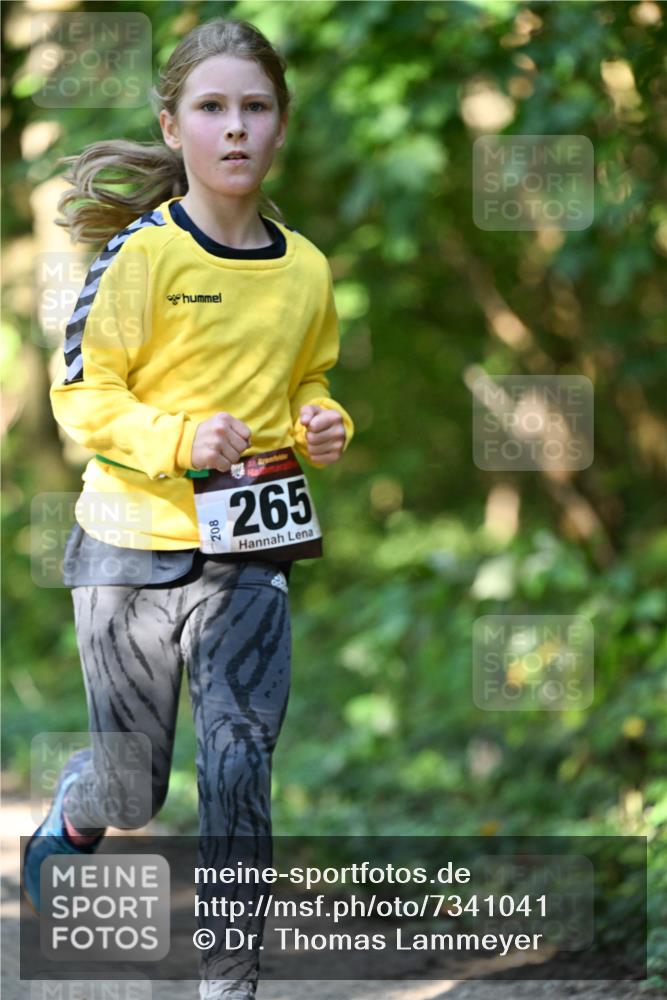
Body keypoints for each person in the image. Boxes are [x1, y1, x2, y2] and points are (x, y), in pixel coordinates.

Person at [21, 17, 354, 1000]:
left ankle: (230, 983)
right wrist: (177, 439)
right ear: (173, 125)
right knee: (137, 786)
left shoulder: (306, 269)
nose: (235, 127)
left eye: (255, 107)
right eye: (212, 107)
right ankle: (79, 810)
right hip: (130, 549)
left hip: (251, 549)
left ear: (280, 126)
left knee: (240, 767)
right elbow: (82, 393)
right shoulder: (141, 257)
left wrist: (320, 419)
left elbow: (310, 377)